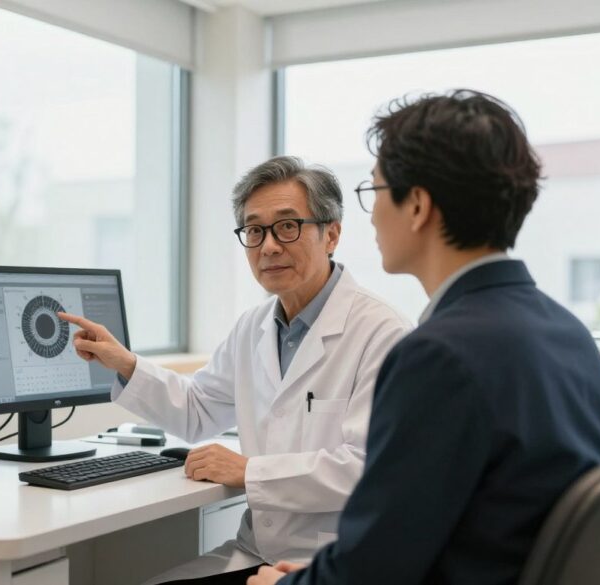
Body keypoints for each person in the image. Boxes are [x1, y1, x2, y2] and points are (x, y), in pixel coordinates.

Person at [248, 90, 600, 585]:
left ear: (417, 205)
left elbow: (374, 572)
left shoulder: (439, 356)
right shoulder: (567, 333)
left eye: (375, 193)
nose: (374, 216)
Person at [58, 155, 410, 584]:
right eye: (254, 230)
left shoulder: (381, 332)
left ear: (331, 233)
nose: (269, 246)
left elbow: (370, 468)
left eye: (287, 226)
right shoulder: (254, 326)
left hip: (329, 560)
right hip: (255, 551)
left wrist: (249, 471)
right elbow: (198, 409)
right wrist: (126, 363)